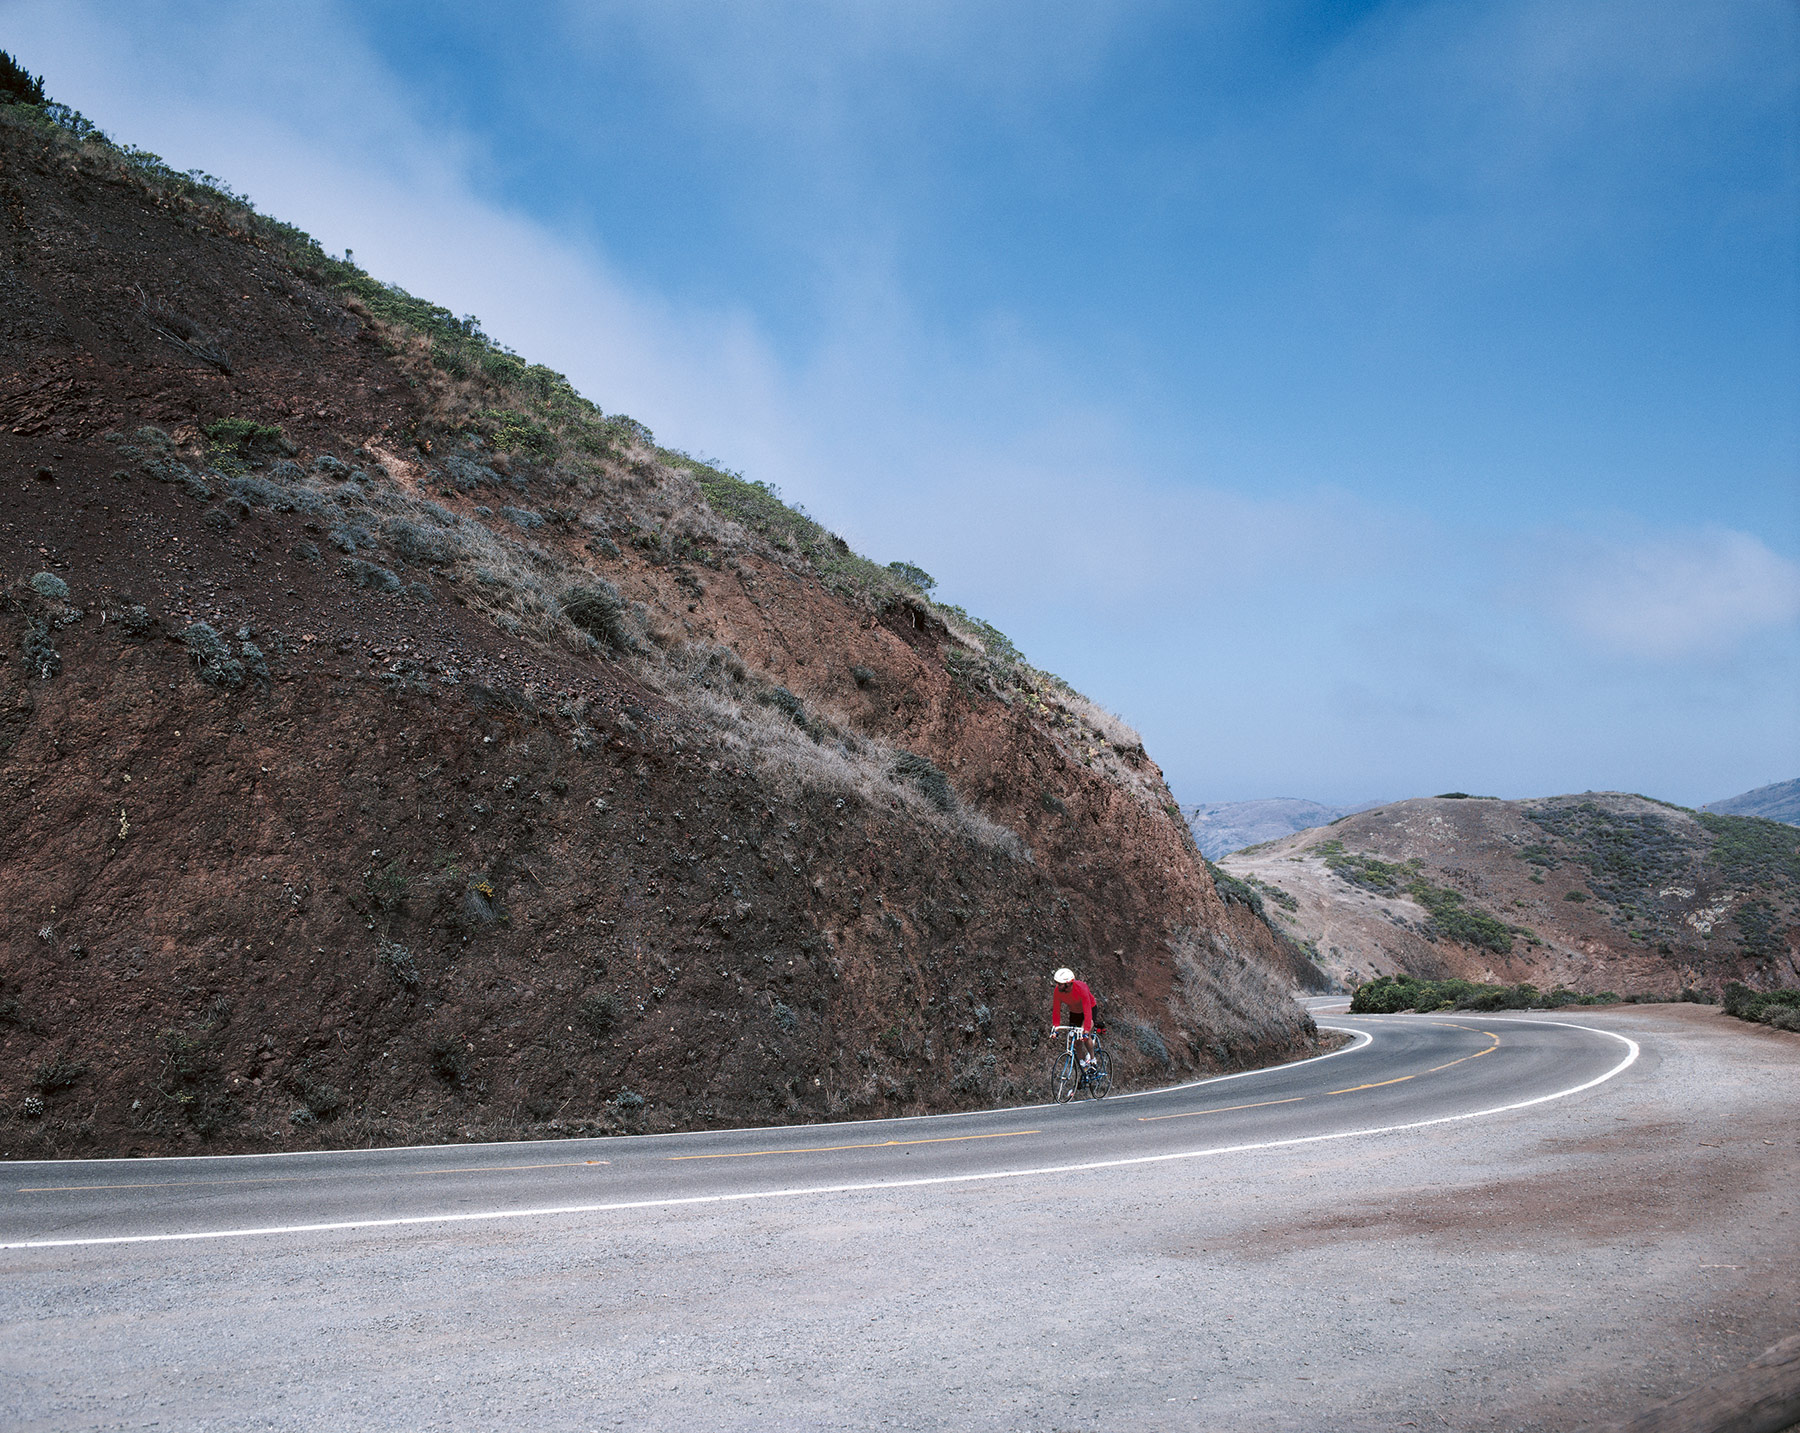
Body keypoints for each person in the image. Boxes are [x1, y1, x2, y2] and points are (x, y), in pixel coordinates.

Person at [1050, 966, 1098, 1072]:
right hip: (1075, 1012)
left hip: (1089, 1008)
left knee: (1084, 1036)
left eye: (1060, 984)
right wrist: (1056, 1027)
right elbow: (1056, 1010)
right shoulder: (1057, 992)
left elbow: (1087, 1011)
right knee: (1075, 1039)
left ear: (1068, 983)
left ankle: (1093, 1059)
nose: (1058, 986)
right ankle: (1082, 1063)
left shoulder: (1081, 988)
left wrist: (1085, 1030)